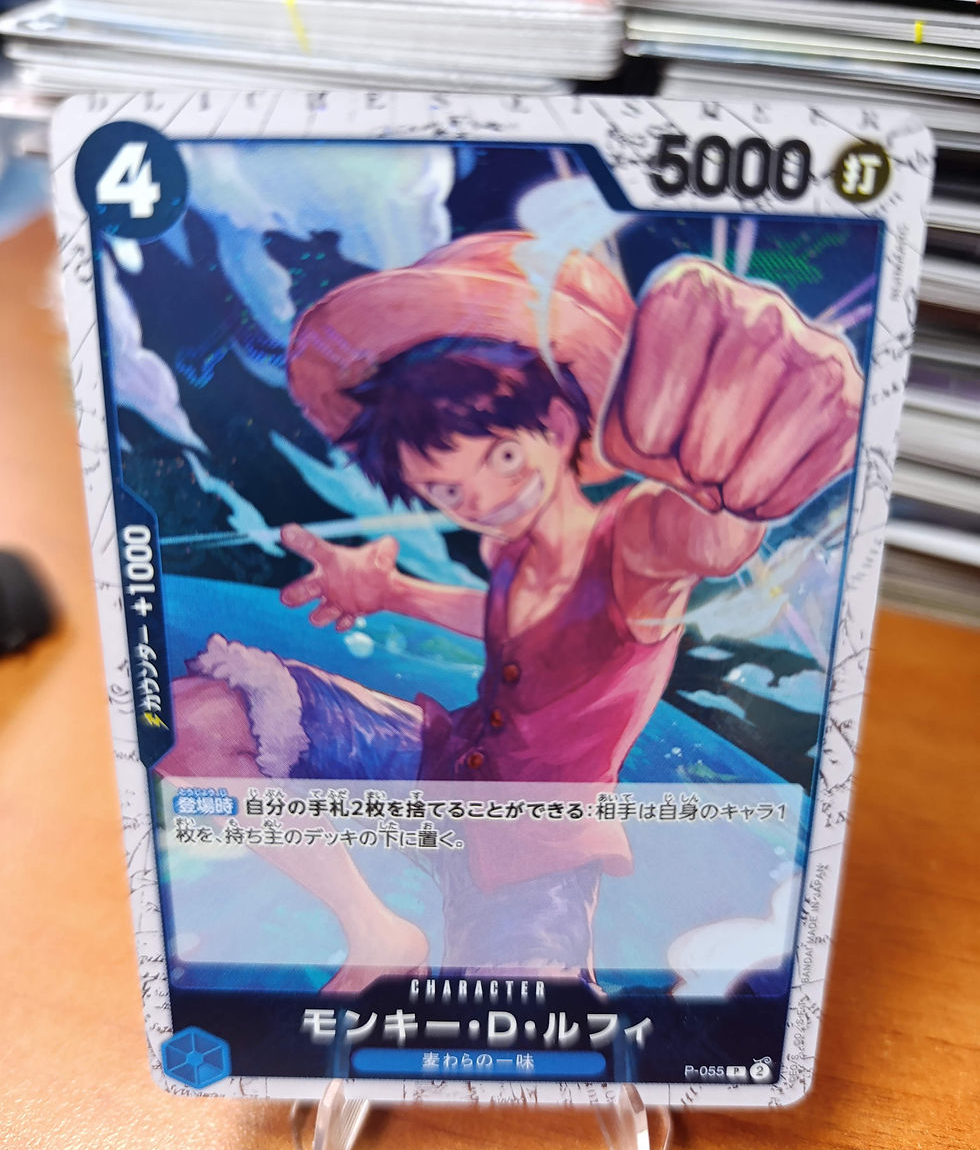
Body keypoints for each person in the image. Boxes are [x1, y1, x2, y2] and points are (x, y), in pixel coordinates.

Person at [159, 230, 862, 986]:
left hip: (539, 850)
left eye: (500, 457)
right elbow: (509, 623)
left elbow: (701, 543)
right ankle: (378, 932)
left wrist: (731, 495)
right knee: (195, 721)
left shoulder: (632, 546)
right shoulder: (512, 550)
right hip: (439, 766)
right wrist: (392, 593)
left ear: (556, 425)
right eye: (448, 490)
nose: (486, 499)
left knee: (527, 1016)